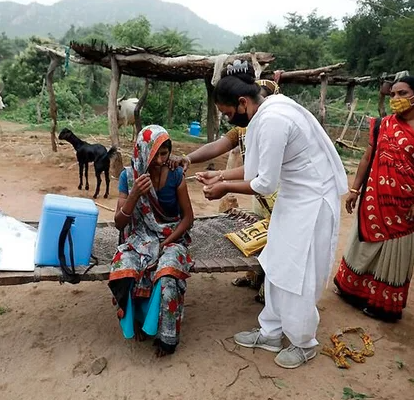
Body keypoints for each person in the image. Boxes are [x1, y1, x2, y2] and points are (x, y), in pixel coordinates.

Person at [199, 60, 348, 369]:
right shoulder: (266, 111)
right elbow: (257, 169)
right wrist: (222, 179)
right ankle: (271, 332)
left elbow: (265, 184)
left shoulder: (274, 119)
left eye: (228, 113)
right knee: (277, 262)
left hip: (312, 203)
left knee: (299, 272)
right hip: (294, 199)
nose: (229, 119)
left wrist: (225, 188)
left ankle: (303, 342)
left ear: (242, 103)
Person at [333, 76, 414, 322]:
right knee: (363, 243)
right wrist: (354, 189)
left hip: (406, 202)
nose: (396, 99)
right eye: (393, 94)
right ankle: (351, 290)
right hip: (375, 196)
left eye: (402, 93)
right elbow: (367, 158)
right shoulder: (383, 124)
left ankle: (383, 304)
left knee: (395, 250)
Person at [169, 79, 280, 302]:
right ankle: (257, 276)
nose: (230, 118)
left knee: (278, 240)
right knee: (260, 236)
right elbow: (222, 147)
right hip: (260, 193)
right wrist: (188, 158)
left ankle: (272, 291)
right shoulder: (245, 126)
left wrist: (224, 182)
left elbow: (263, 175)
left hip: (278, 194)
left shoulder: (272, 126)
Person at [108, 125, 195, 357]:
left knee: (167, 274)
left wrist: (169, 242)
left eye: (164, 154)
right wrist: (134, 194)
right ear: (142, 151)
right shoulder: (129, 177)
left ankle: (166, 337)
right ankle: (135, 321)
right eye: (154, 154)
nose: (159, 160)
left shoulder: (176, 175)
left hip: (171, 236)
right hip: (139, 237)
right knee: (124, 268)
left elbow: (188, 218)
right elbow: (119, 223)